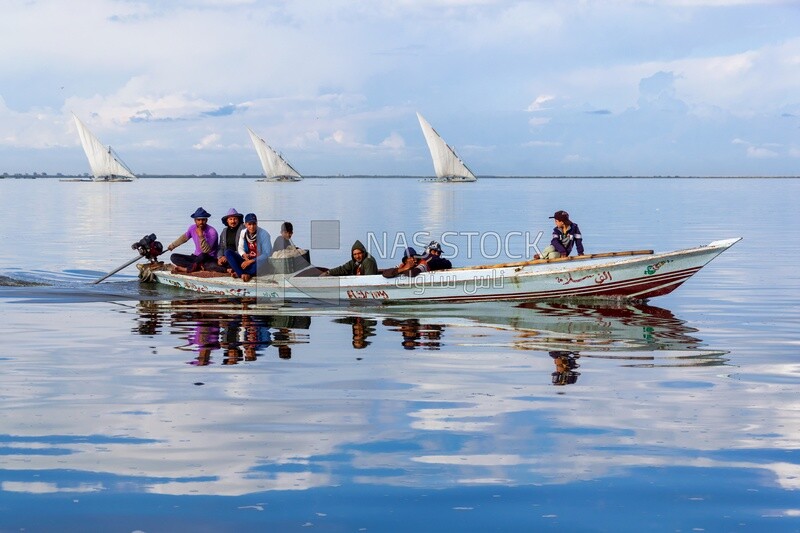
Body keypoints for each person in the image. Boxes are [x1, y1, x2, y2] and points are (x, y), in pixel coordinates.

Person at [167, 207, 219, 273]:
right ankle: (196, 266)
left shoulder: (212, 232)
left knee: (203, 255)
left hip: (208, 258)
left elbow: (206, 251)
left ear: (206, 220)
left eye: (203, 220)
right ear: (195, 220)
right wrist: (173, 245)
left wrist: (201, 236)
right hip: (196, 257)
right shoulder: (192, 228)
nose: (201, 222)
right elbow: (184, 238)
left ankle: (188, 268)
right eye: (199, 220)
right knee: (173, 257)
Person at [224, 213, 272, 282]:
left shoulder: (264, 234)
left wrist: (251, 261)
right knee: (228, 252)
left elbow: (267, 254)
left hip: (257, 261)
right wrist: (244, 255)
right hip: (246, 260)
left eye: (254, 224)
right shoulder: (243, 232)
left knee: (262, 262)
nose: (252, 227)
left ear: (257, 223)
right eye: (249, 224)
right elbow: (240, 247)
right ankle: (242, 274)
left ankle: (244, 273)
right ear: (245, 224)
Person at [382, 241, 451, 278]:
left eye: (438, 252)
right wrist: (403, 269)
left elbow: (412, 273)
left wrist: (402, 270)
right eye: (410, 258)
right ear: (406, 260)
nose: (414, 260)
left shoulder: (423, 264)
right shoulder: (403, 265)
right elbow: (385, 273)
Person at [213, 208, 245, 272]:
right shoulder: (224, 231)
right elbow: (221, 247)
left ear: (238, 219)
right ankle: (228, 269)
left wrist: (227, 257)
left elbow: (243, 248)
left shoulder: (243, 230)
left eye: (235, 219)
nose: (233, 221)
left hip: (237, 256)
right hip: (225, 257)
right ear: (227, 221)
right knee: (212, 265)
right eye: (230, 219)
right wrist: (220, 257)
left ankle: (231, 269)